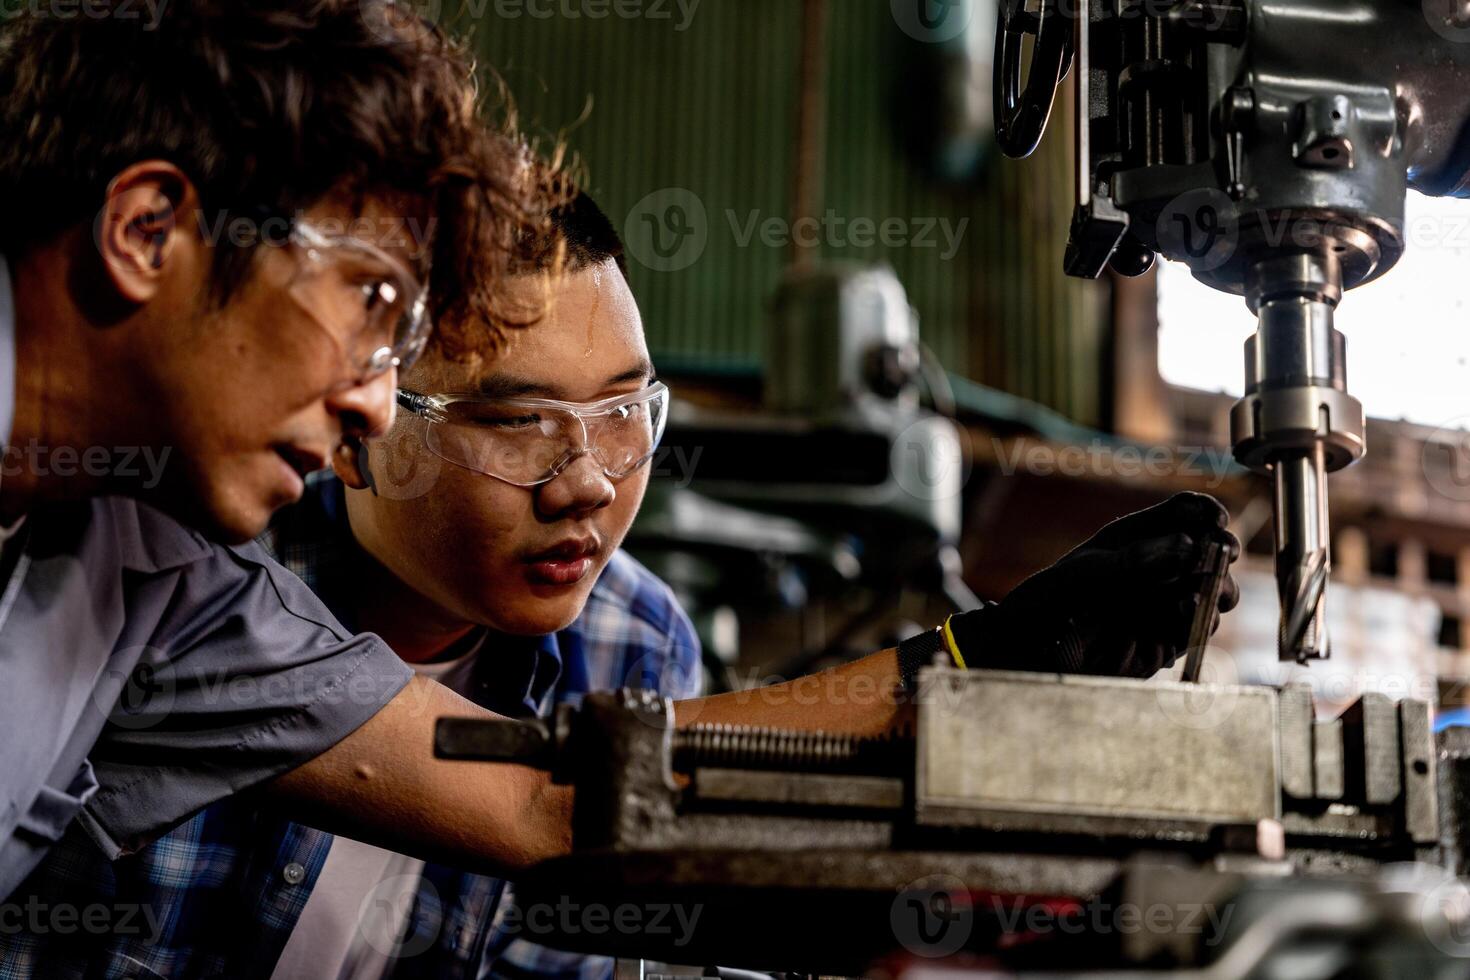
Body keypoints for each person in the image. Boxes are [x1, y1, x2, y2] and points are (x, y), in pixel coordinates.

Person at [0, 0, 1240, 936]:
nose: (374, 403)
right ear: (148, 229)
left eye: (622, 414)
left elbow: (545, 805)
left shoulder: (164, 583)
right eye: (369, 298)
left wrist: (977, 664)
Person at [0, 196, 693, 978]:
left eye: (623, 408)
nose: (589, 484)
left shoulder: (636, 644)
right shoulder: (186, 570)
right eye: (516, 420)